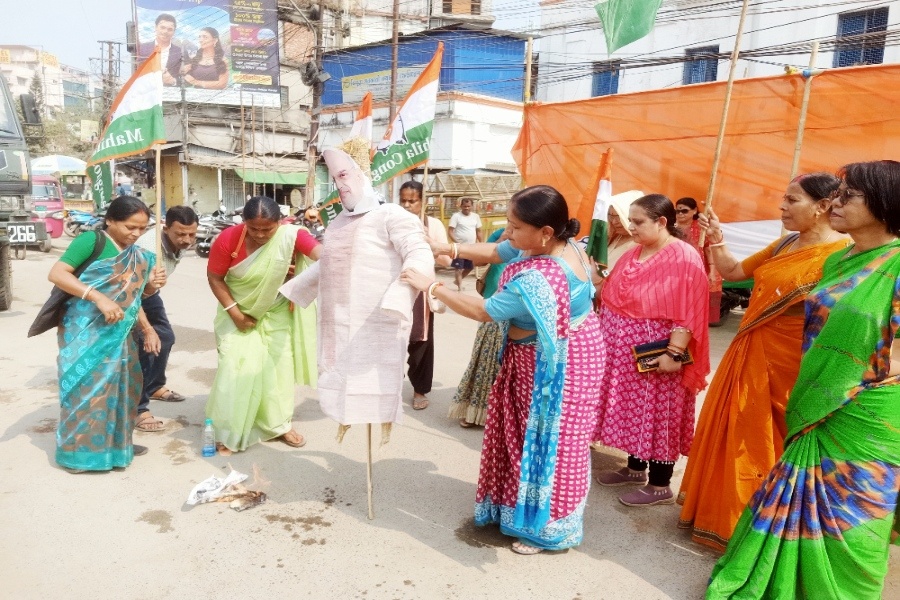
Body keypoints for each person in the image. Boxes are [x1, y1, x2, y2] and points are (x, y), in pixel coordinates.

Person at [707, 160, 900, 599]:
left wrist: (852, 387)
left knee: (855, 527)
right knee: (799, 508)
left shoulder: (897, 264)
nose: (837, 201)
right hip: (815, 403)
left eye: (850, 195)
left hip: (869, 416)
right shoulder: (840, 261)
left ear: (886, 205)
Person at [402, 185, 602, 555]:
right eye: (507, 223)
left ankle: (548, 529)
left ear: (544, 231)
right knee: (538, 435)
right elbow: (496, 251)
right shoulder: (560, 243)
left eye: (514, 226)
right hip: (564, 350)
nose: (507, 233)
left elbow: (483, 311)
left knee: (552, 441)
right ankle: (518, 505)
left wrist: (432, 286)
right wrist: (447, 248)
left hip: (554, 366)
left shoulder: (539, 276)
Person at [676, 173, 846, 552]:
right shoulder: (786, 242)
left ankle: (767, 530)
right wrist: (717, 240)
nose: (782, 207)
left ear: (822, 206)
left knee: (774, 445)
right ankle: (725, 518)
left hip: (795, 366)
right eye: (783, 198)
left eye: (792, 200)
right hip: (750, 352)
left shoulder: (844, 255)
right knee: (737, 437)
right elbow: (736, 272)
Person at [279, 143, 434, 442]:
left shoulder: (392, 215)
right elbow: (327, 264)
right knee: (341, 378)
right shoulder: (338, 223)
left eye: (345, 175)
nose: (341, 185)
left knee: (372, 379)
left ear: (363, 174)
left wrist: (401, 296)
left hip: (379, 318)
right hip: (338, 324)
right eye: (336, 179)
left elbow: (419, 254)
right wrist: (293, 291)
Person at [593, 194, 710, 506]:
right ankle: (634, 469)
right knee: (638, 413)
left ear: (661, 222)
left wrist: (673, 353)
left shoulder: (683, 256)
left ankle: (660, 485)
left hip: (658, 354)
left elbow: (691, 308)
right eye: (630, 220)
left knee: (661, 414)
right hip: (628, 357)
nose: (631, 227)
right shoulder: (637, 252)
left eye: (638, 222)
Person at [47, 196, 165, 472]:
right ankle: (79, 454)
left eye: (142, 228)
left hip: (119, 332)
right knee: (84, 389)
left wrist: (150, 290)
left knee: (121, 388)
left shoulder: (138, 255)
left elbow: (133, 300)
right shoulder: (91, 241)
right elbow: (57, 273)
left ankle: (115, 444)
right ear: (110, 220)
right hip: (84, 328)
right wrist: (97, 297)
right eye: (129, 227)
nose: (136, 234)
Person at [205, 196, 320, 455]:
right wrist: (235, 313)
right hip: (236, 308)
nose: (260, 234)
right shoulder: (228, 240)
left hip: (276, 310)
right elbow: (215, 277)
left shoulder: (291, 235)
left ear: (279, 223)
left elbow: (323, 257)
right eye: (253, 228)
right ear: (244, 222)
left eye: (267, 229)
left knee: (278, 368)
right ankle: (227, 429)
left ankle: (277, 425)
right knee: (235, 366)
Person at [132, 205, 199, 433]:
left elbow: (150, 290)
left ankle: (154, 386)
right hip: (132, 297)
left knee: (166, 338)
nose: (186, 239)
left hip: (149, 293)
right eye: (180, 234)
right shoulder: (147, 249)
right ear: (166, 228)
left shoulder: (177, 244)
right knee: (145, 347)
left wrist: (152, 287)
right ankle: (139, 409)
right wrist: (147, 329)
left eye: (191, 234)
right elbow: (134, 294)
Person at [398, 180, 451, 411]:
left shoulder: (433, 224)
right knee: (392, 338)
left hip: (421, 290)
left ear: (422, 201)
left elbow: (447, 261)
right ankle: (389, 387)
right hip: (395, 286)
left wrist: (432, 242)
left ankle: (419, 390)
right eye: (403, 201)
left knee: (421, 341)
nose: (407, 205)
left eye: (413, 201)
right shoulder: (391, 222)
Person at [448, 227, 508, 428]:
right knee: (485, 358)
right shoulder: (501, 233)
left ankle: (499, 415)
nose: (512, 225)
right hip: (492, 301)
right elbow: (479, 261)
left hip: (516, 308)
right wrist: (501, 240)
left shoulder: (534, 241)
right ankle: (475, 411)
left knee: (506, 366)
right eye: (510, 220)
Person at [675, 197, 724, 325]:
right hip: (676, 268)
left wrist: (712, 271)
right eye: (677, 211)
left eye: (684, 211)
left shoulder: (701, 227)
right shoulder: (671, 226)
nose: (680, 214)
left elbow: (709, 250)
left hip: (698, 267)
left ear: (694, 211)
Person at [138, 13, 182, 86]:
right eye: (162, 27)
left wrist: (173, 81)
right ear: (155, 27)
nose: (165, 32)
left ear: (174, 32)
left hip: (170, 94)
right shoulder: (142, 49)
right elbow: (135, 72)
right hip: (146, 93)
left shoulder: (180, 52)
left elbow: (187, 80)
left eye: (170, 29)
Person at [448, 198, 482, 290]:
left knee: (470, 267)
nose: (466, 208)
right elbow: (450, 231)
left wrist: (482, 243)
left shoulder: (475, 217)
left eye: (468, 206)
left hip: (471, 247)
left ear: (472, 206)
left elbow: (478, 231)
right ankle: (459, 288)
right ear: (461, 206)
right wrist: (456, 242)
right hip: (459, 247)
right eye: (464, 206)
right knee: (458, 268)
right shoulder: (456, 216)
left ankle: (457, 281)